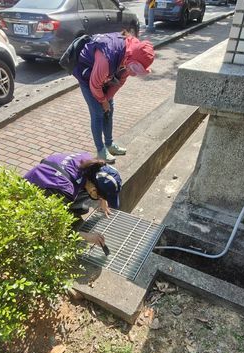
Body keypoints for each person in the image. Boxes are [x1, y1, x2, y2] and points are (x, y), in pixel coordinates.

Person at [73, 32, 155, 163]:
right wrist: (103, 101)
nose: (133, 72)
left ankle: (109, 145)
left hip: (106, 77)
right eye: (134, 67)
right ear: (130, 57)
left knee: (109, 110)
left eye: (138, 70)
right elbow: (94, 85)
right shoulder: (107, 57)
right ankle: (101, 151)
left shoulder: (129, 57)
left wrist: (107, 100)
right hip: (88, 77)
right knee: (98, 113)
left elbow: (120, 81)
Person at [24, 152, 122, 246]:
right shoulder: (66, 190)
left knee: (85, 196)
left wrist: (103, 199)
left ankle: (73, 212)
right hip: (36, 191)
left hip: (52, 175)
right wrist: (86, 237)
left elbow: (97, 183)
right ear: (93, 189)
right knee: (55, 222)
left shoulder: (90, 163)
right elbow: (55, 228)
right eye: (100, 196)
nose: (100, 199)